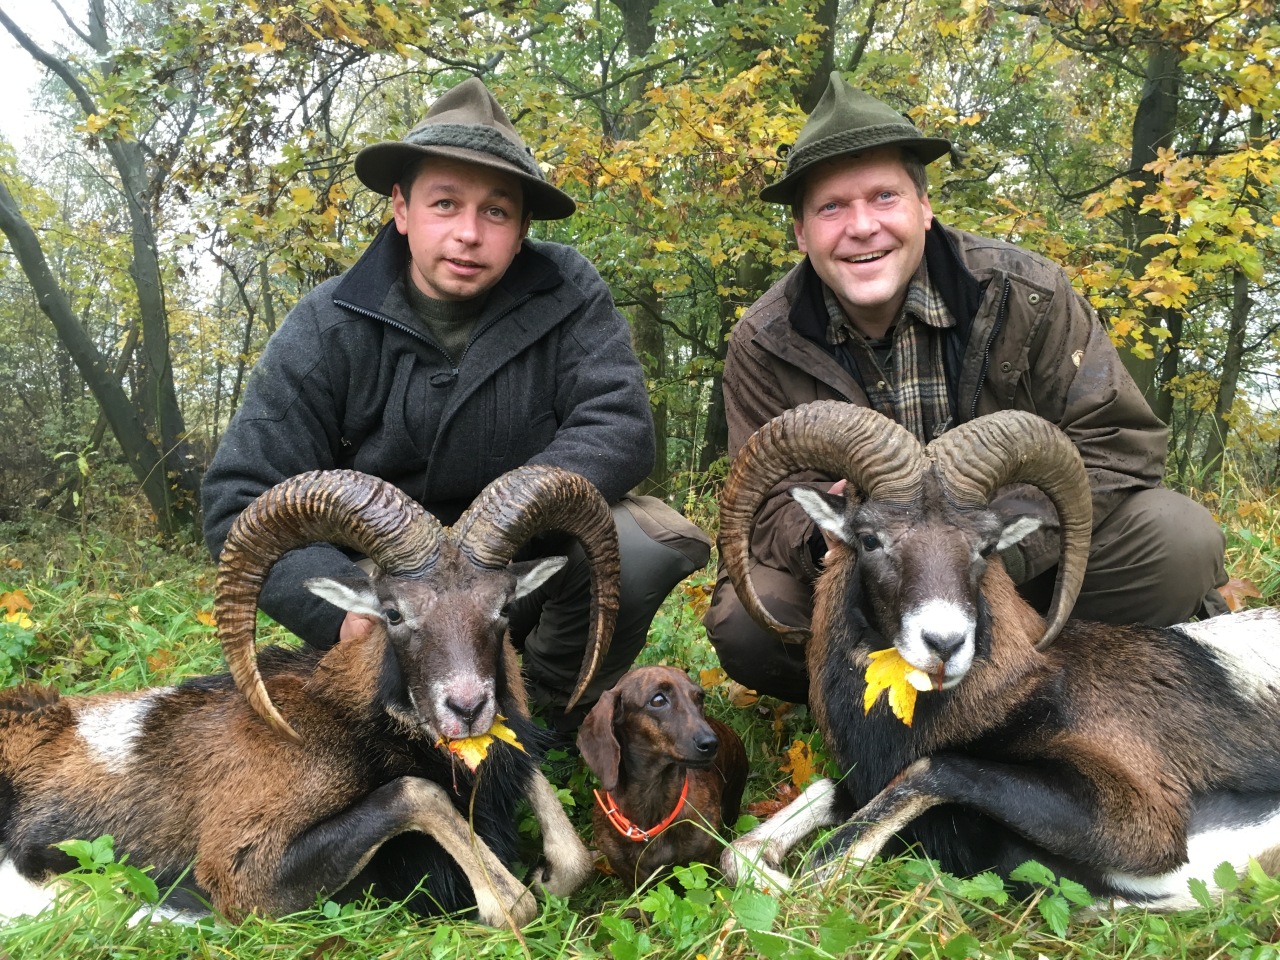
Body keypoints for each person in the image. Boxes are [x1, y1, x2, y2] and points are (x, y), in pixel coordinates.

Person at [203, 76, 710, 731]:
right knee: (378, 683)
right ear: (401, 208)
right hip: (395, 590)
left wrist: (499, 526)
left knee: (642, 544)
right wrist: (348, 603)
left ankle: (546, 712)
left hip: (514, 563)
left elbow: (618, 425)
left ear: (522, 228)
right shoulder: (326, 325)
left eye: (496, 212)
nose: (469, 233)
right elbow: (240, 496)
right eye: (445, 204)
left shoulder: (568, 292)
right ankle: (400, 723)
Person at [703, 72, 1228, 704]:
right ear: (801, 232)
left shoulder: (1029, 295)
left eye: (884, 196)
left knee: (1177, 540)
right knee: (747, 619)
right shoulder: (766, 340)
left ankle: (1045, 680)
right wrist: (836, 537)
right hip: (878, 575)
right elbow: (766, 506)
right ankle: (877, 701)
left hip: (1015, 558)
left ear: (924, 207)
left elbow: (1118, 442)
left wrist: (993, 542)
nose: (862, 226)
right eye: (831, 207)